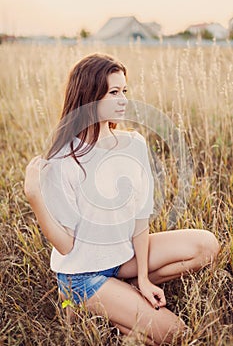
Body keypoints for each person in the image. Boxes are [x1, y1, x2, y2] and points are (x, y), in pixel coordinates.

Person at [24, 53, 220, 345]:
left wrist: (143, 278)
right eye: (114, 92)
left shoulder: (134, 144)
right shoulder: (63, 159)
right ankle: (85, 304)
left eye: (124, 91)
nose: (123, 99)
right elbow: (65, 245)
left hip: (122, 259)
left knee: (206, 245)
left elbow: (141, 218)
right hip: (82, 275)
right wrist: (34, 196)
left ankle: (121, 292)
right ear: (89, 97)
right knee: (176, 335)